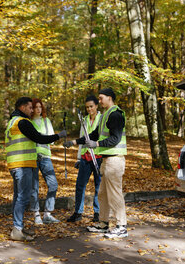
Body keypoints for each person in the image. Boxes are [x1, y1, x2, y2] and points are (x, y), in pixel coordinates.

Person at [64, 88, 128, 239]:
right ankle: (103, 224)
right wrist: (75, 142)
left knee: (115, 194)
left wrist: (96, 143)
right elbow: (92, 135)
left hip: (115, 159)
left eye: (101, 98)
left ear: (109, 98)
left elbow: (115, 139)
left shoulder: (115, 114)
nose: (99, 101)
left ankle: (121, 227)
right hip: (106, 160)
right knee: (103, 194)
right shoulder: (105, 115)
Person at [5, 97, 66, 241]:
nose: (32, 110)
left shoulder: (12, 122)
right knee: (23, 197)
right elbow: (38, 138)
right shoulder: (22, 122)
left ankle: (17, 228)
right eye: (30, 107)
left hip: (15, 164)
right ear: (23, 107)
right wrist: (58, 135)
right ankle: (17, 229)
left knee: (18, 196)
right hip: (23, 164)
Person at [67, 95, 102, 223]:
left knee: (99, 186)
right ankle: (78, 212)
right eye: (87, 107)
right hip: (85, 157)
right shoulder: (84, 120)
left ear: (97, 106)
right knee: (80, 185)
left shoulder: (102, 118)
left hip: (98, 156)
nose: (89, 109)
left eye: (91, 106)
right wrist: (78, 158)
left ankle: (98, 212)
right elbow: (82, 139)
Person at [30, 98, 60, 225]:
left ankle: (47, 214)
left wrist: (42, 138)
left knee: (53, 184)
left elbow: (51, 139)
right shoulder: (28, 122)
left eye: (40, 107)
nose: (38, 109)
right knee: (34, 187)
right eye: (36, 107)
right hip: (32, 157)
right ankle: (36, 214)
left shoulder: (46, 121)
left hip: (45, 157)